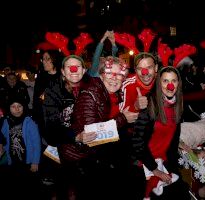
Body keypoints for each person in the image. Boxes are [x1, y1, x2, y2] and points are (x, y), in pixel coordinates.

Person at [69, 56, 138, 199]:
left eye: (119, 74)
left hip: (105, 160)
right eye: (109, 73)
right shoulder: (90, 94)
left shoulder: (113, 94)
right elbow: (92, 137)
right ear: (101, 74)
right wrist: (123, 119)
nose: (114, 78)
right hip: (88, 162)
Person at [132, 66, 191, 200]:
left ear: (178, 83)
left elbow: (173, 136)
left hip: (165, 161)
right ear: (159, 83)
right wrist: (154, 169)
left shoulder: (178, 104)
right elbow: (137, 141)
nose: (170, 85)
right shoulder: (150, 105)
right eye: (165, 81)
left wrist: (180, 144)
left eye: (173, 81)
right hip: (146, 163)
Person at [41, 54, 90, 199]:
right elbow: (50, 124)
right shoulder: (52, 91)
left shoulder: (92, 88)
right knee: (66, 188)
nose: (74, 69)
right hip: (64, 149)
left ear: (84, 70)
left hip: (89, 150)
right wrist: (75, 136)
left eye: (78, 66)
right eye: (69, 67)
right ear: (63, 71)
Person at [0, 95, 41, 199]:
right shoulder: (6, 121)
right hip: (13, 160)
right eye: (13, 106)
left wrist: (35, 162)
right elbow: (3, 138)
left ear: (24, 107)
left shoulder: (29, 122)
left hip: (27, 161)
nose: (17, 109)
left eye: (19, 106)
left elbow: (37, 143)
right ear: (8, 108)